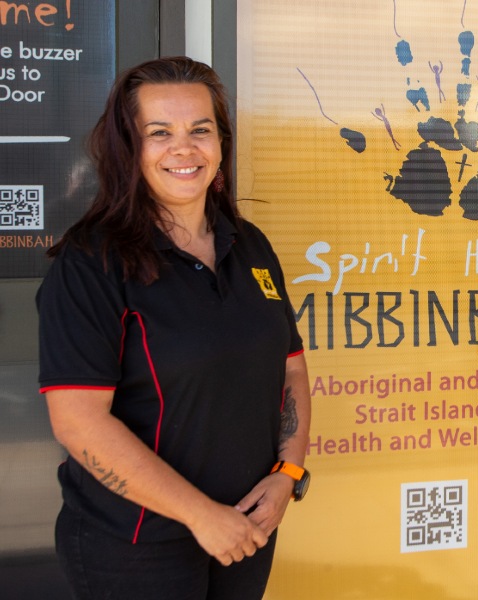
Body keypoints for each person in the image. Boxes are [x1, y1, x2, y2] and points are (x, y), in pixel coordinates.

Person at [36, 56, 312, 600]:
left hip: (246, 528)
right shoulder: (91, 263)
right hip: (134, 546)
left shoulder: (248, 242)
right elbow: (77, 423)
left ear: (220, 143)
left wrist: (288, 475)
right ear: (128, 147)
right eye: (158, 133)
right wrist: (201, 516)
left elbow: (292, 369)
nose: (183, 149)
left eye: (199, 131)